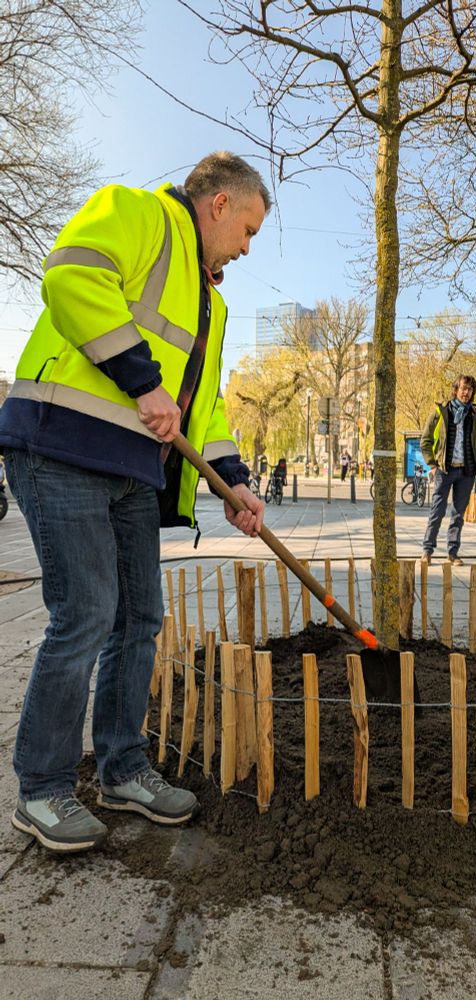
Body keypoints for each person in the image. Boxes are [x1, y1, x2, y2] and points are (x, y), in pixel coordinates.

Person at [0, 151, 270, 853]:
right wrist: (140, 379)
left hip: (131, 470)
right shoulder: (137, 210)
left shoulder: (210, 301)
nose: (245, 248)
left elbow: (199, 408)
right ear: (218, 204)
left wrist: (233, 480)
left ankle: (123, 767)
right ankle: (42, 788)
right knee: (85, 613)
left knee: (139, 618)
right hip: (61, 445)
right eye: (247, 229)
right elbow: (70, 276)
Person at [420, 375, 476, 566]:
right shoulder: (441, 412)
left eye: (470, 389)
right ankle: (427, 550)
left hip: (466, 472)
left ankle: (453, 553)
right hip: (444, 470)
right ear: (456, 389)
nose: (466, 393)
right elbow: (425, 440)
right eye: (463, 388)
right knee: (437, 511)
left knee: (458, 514)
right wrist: (432, 464)